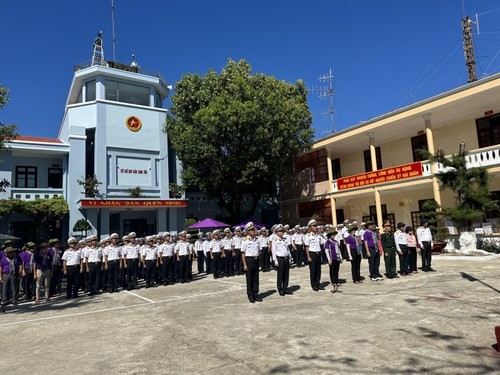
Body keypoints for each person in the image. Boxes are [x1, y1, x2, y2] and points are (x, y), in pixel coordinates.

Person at [241, 222, 262, 303]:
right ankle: (250, 295)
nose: (253, 231)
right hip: (249, 260)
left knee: (256, 278)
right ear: (248, 231)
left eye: (253, 229)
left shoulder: (257, 240)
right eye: (251, 230)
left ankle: (256, 294)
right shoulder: (245, 241)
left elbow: (259, 251)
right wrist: (245, 264)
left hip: (256, 259)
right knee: (250, 278)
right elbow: (243, 253)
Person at [272, 224, 293, 296]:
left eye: (282, 231)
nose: (282, 232)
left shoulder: (285, 239)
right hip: (280, 259)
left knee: (286, 275)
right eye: (281, 231)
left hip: (286, 258)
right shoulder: (275, 240)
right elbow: (273, 251)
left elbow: (288, 250)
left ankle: (285, 288)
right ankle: (280, 289)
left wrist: (290, 258)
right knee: (280, 275)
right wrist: (275, 260)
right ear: (277, 232)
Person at [304, 219, 325, 291]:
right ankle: (314, 285)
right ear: (310, 227)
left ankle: (318, 284)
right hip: (312, 254)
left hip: (318, 253)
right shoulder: (308, 236)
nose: (316, 227)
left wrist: (321, 255)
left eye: (316, 226)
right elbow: (307, 247)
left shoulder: (318, 236)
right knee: (313, 270)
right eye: (314, 226)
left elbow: (321, 244)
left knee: (318, 270)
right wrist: (308, 256)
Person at [324, 228, 343, 292]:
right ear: (330, 235)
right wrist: (329, 259)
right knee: (332, 270)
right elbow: (326, 251)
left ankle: (336, 281)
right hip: (332, 258)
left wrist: (341, 257)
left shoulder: (336, 242)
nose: (334, 236)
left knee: (336, 270)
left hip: (337, 257)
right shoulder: (328, 242)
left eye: (334, 234)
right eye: (332, 235)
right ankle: (333, 281)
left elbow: (338, 250)